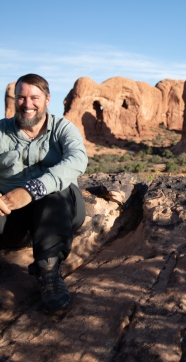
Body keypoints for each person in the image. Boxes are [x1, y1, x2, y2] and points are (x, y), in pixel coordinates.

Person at [0, 74, 88, 314]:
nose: (27, 104)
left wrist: (31, 189)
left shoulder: (62, 128)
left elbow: (78, 160)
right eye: (21, 97)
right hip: (12, 215)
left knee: (55, 190)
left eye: (34, 98)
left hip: (58, 211)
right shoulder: (2, 131)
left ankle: (49, 273)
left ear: (47, 99)